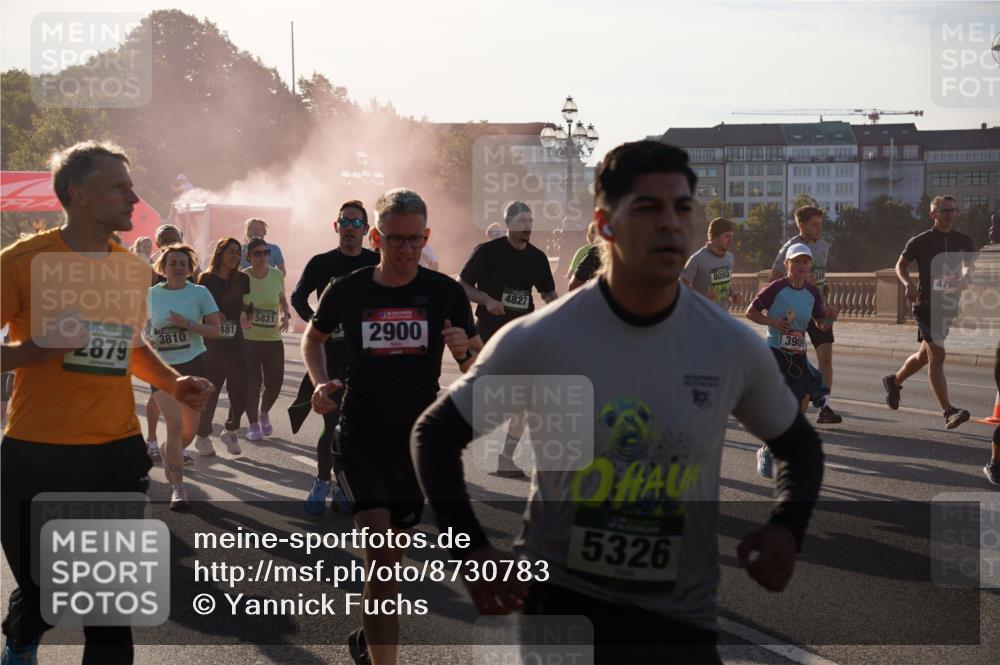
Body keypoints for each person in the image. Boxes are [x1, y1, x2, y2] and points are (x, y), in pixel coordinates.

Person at [413, 140, 823, 665]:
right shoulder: (544, 338)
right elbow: (436, 434)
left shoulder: (727, 343)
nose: (670, 223)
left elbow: (800, 448)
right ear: (605, 225)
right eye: (648, 208)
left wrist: (788, 525)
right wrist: (470, 551)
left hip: (681, 624)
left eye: (681, 208)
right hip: (560, 613)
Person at [0, 141, 212, 664]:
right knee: (47, 591)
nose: (133, 196)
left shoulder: (132, 269)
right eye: (119, 186)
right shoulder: (22, 262)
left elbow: (131, 347)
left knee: (108, 613)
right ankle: (23, 636)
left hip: (114, 453)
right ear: (79, 194)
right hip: (35, 452)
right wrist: (34, 350)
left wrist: (173, 383)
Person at [301, 188, 480, 665]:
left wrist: (464, 349)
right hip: (359, 438)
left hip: (415, 445)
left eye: (414, 239)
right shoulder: (350, 288)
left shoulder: (445, 293)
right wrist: (320, 384)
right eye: (395, 239)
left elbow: (478, 368)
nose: (405, 249)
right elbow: (312, 339)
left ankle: (368, 637)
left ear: (426, 237)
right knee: (380, 561)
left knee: (390, 565)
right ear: (376, 237)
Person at [290, 201, 379, 515]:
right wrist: (317, 320)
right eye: (346, 222)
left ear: (367, 230)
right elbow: (298, 296)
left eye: (357, 224)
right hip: (330, 356)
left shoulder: (376, 262)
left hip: (366, 359)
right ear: (336, 226)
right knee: (332, 424)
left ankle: (344, 484)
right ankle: (321, 480)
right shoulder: (321, 263)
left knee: (357, 426)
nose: (351, 229)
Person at [458, 201, 558, 478]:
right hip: (488, 335)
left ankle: (505, 458)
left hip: (521, 336)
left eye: (531, 220)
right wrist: (487, 299)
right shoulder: (488, 252)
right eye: (522, 221)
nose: (527, 226)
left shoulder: (537, 258)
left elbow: (548, 295)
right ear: (508, 223)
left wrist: (561, 316)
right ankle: (444, 450)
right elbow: (462, 285)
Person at [882, 195, 977, 430]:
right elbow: (900, 265)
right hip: (925, 305)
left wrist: (966, 274)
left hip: (948, 306)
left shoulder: (963, 240)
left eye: (953, 210)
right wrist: (908, 284)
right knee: (938, 356)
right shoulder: (920, 241)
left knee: (924, 357)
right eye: (945, 211)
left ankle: (894, 382)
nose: (950, 214)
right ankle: (948, 411)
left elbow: (969, 264)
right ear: (933, 214)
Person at [747, 243, 839, 477]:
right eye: (796, 261)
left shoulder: (812, 293)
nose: (801, 266)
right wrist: (773, 322)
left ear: (810, 266)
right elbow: (751, 312)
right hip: (775, 350)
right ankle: (769, 449)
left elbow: (820, 325)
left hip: (797, 354)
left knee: (801, 403)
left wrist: (829, 318)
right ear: (787, 264)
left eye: (805, 262)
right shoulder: (776, 288)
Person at [147, 244, 222, 508]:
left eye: (182, 263)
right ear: (163, 268)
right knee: (175, 425)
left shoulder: (200, 293)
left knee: (187, 433)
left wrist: (188, 324)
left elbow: (216, 331)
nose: (177, 267)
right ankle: (178, 489)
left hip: (193, 365)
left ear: (190, 269)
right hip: (162, 368)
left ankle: (171, 455)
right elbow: (137, 328)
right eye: (172, 263)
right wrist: (148, 341)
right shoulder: (150, 295)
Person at [769, 206, 841, 424]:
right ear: (801, 225)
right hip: (794, 311)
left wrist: (823, 286)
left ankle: (824, 406)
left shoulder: (823, 246)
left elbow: (819, 275)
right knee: (789, 359)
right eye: (815, 224)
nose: (819, 228)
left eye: (821, 224)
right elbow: (773, 280)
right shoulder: (789, 248)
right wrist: (797, 284)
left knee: (826, 357)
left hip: (817, 307)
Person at [194, 237, 254, 457]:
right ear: (220, 253)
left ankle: (230, 430)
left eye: (238, 252)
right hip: (212, 344)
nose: (234, 256)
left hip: (235, 341)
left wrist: (248, 314)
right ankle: (202, 436)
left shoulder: (242, 279)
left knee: (241, 389)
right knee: (211, 391)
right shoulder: (206, 279)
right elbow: (196, 306)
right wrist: (211, 314)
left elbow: (243, 303)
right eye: (230, 251)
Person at [243, 236, 291, 441]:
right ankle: (253, 424)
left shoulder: (276, 275)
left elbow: (281, 299)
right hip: (249, 339)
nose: (263, 257)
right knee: (252, 382)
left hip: (272, 338)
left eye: (266, 253)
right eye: (257, 254)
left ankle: (263, 413)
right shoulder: (242, 277)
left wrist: (285, 315)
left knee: (275, 381)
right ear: (249, 257)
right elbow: (235, 302)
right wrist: (241, 316)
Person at [682, 216, 743, 309]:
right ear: (714, 237)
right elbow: (681, 287)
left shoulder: (730, 257)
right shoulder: (697, 259)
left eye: (731, 236)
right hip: (701, 316)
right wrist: (702, 295)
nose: (731, 240)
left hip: (723, 315)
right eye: (727, 236)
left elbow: (723, 284)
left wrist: (733, 294)